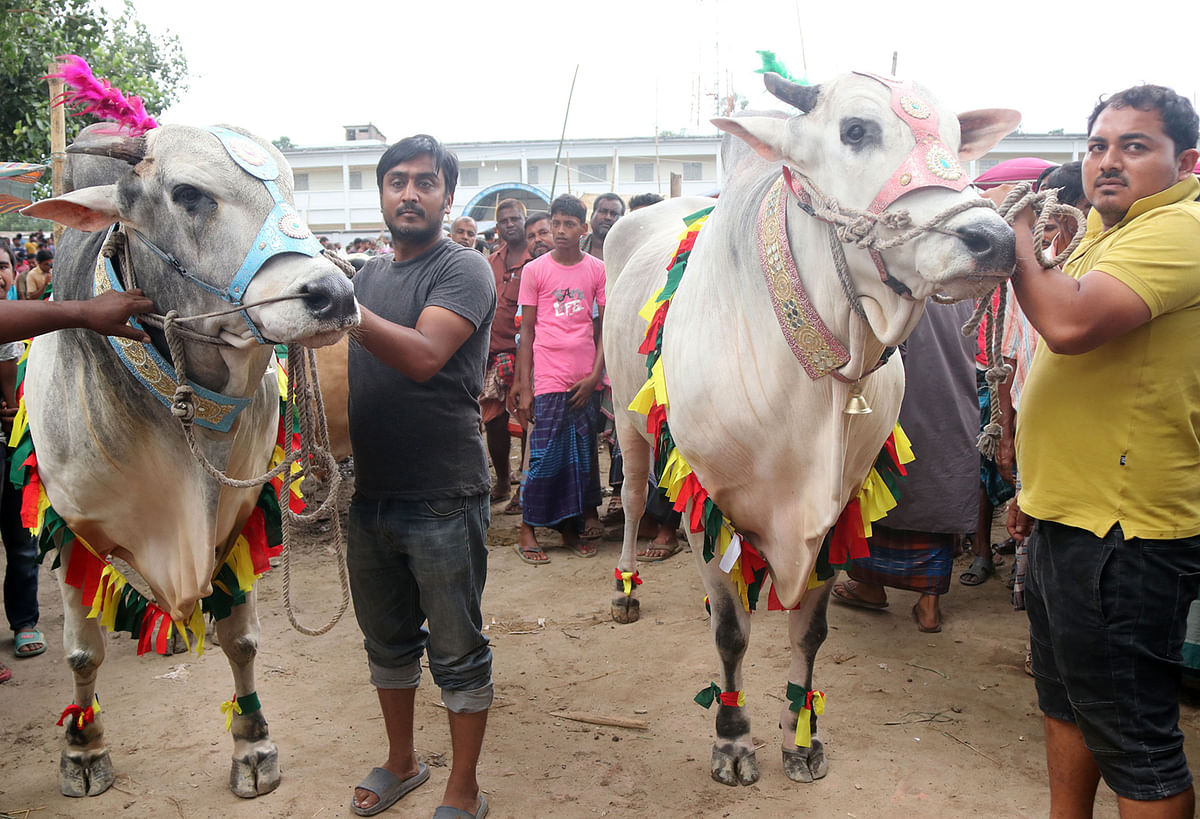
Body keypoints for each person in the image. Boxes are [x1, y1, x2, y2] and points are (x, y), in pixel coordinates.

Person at [1008, 84, 1200, 817]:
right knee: (1066, 704)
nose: (1108, 162)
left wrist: (1015, 230)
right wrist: (1034, 491)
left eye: (1134, 146)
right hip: (1070, 514)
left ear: (1187, 161)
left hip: (1126, 534)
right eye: (1097, 146)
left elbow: (1067, 324)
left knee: (1135, 741)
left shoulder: (1180, 228)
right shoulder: (1102, 229)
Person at [346, 134, 496, 819]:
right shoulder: (367, 276)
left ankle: (463, 786)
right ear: (381, 192)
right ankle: (402, 760)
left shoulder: (464, 268)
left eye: (425, 182)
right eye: (397, 180)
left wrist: (339, 310)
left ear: (446, 195)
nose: (409, 192)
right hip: (371, 491)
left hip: (443, 491)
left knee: (458, 650)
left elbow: (426, 355)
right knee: (387, 643)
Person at [831, 300, 979, 632]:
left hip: (903, 404)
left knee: (879, 491)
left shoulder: (898, 275)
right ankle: (929, 605)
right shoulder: (961, 284)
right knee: (937, 494)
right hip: (950, 402)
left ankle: (869, 585)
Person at [512, 194, 606, 564]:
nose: (561, 230)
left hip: (585, 378)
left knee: (582, 455)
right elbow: (528, 333)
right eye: (557, 223)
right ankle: (528, 528)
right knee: (545, 454)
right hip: (549, 377)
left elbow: (603, 329)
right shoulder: (535, 272)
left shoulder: (596, 270)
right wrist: (524, 386)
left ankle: (571, 529)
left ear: (583, 230)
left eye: (570, 224)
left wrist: (596, 374)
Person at [482, 198, 531, 508]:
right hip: (491, 355)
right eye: (504, 221)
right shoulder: (490, 261)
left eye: (515, 219)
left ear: (524, 222)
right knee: (493, 422)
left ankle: (525, 490)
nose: (510, 224)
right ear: (497, 227)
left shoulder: (536, 260)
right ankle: (502, 480)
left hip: (523, 355)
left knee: (528, 421)